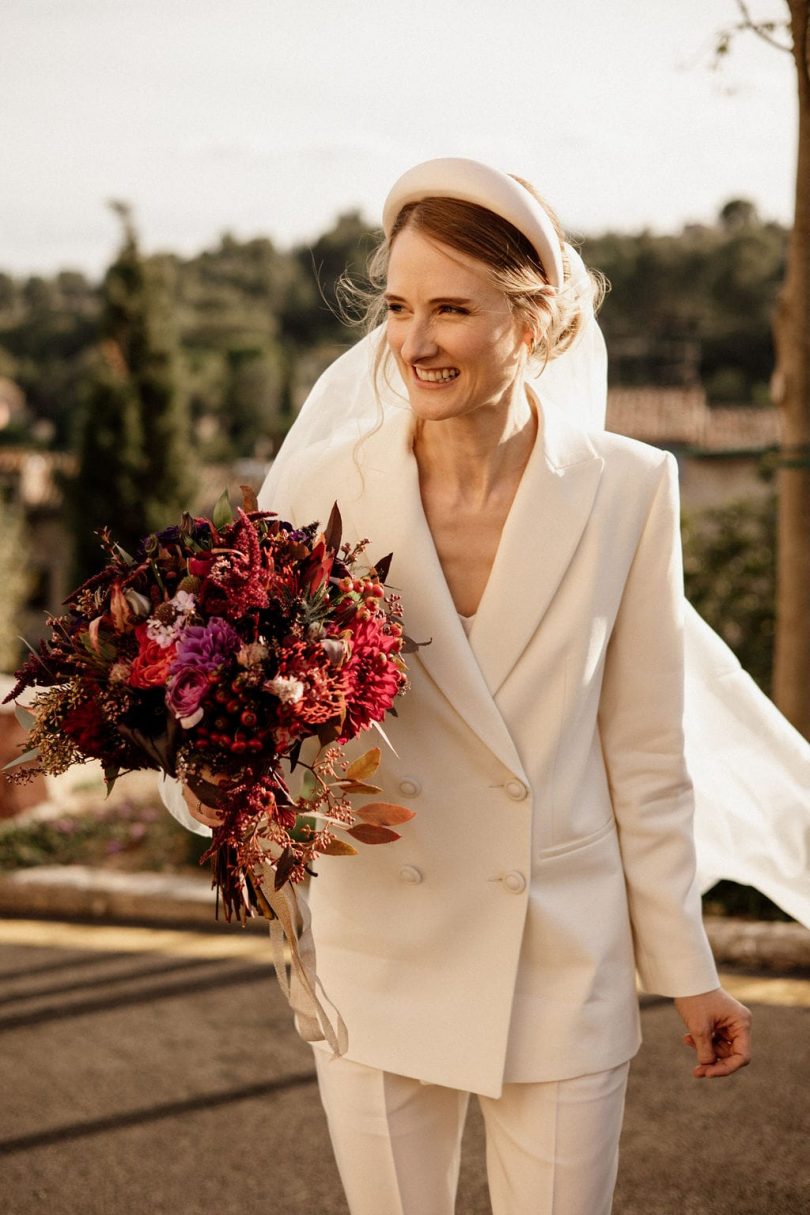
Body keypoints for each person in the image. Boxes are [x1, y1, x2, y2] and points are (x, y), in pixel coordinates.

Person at [167, 158, 755, 1215]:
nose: (414, 341)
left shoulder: (632, 488)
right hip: (374, 944)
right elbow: (239, 710)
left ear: (532, 320)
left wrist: (687, 966)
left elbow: (644, 751)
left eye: (451, 309)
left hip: (561, 955)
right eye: (398, 307)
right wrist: (213, 786)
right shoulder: (320, 487)